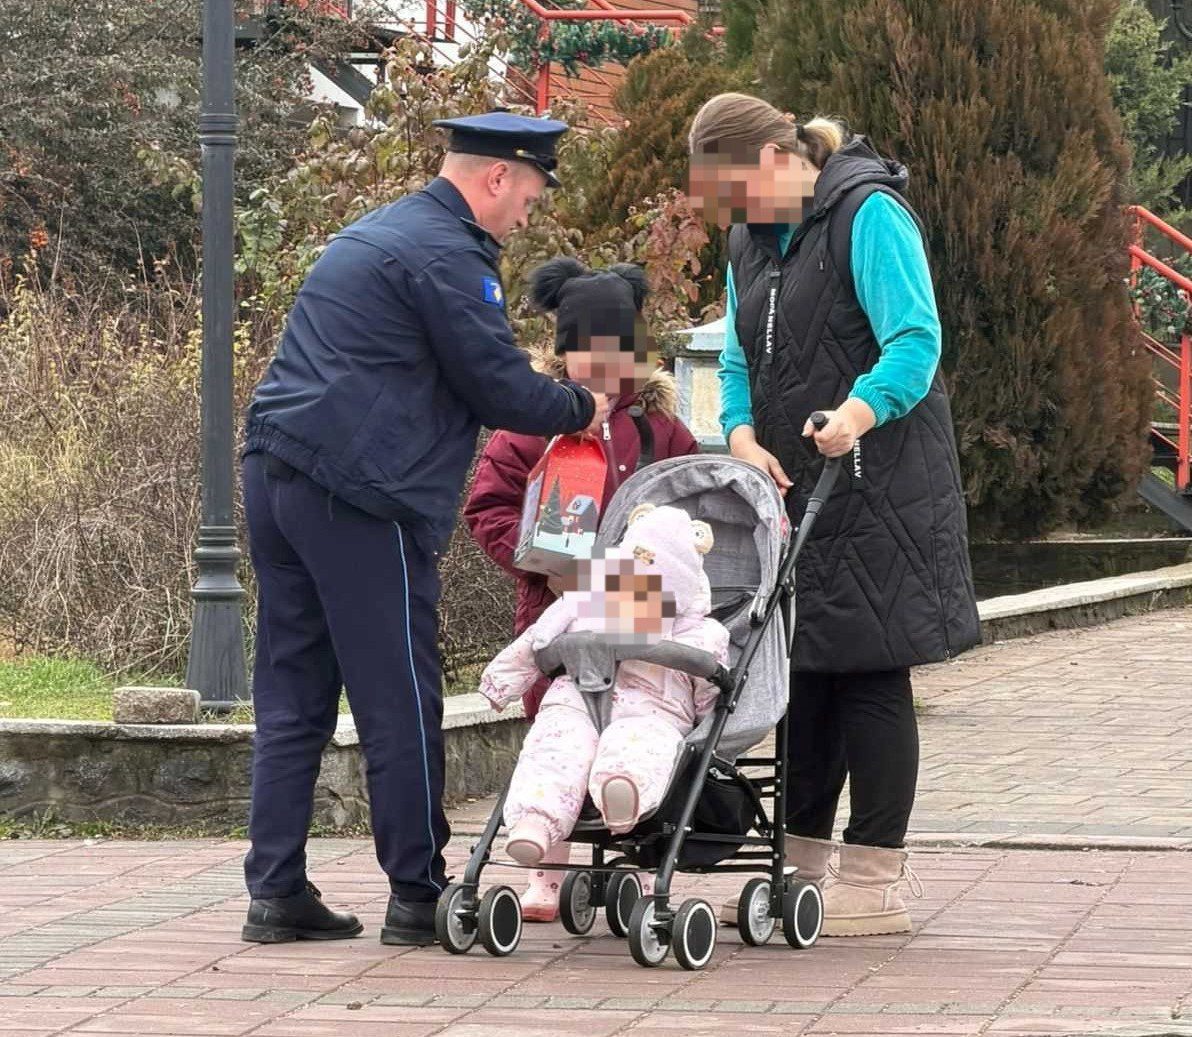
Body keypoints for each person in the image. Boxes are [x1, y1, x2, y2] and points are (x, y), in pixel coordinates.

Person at [238, 112, 611, 948]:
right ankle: (419, 893)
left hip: (276, 472)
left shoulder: (377, 232)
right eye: (530, 193)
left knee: (294, 688)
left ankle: (276, 890)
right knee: (398, 692)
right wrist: (583, 407)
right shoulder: (448, 255)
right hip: (361, 496)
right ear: (495, 178)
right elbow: (500, 388)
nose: (529, 214)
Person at [686, 93, 980, 936]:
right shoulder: (751, 238)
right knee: (804, 670)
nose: (736, 218)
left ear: (782, 158)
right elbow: (737, 354)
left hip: (881, 480)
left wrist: (860, 410)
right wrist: (739, 433)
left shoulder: (870, 213)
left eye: (741, 195)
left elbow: (916, 339)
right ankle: (801, 862)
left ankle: (875, 878)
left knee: (872, 669)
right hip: (793, 490)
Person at [464, 257, 699, 919]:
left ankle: (639, 845)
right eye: (587, 355)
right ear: (563, 354)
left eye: (618, 354)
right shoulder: (531, 427)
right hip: (559, 609)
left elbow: (693, 502)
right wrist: (537, 562)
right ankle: (549, 858)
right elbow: (488, 507)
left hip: (645, 619)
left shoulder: (659, 432)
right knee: (560, 729)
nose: (604, 369)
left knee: (639, 724)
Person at [478, 505, 729, 861]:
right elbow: (538, 640)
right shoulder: (584, 602)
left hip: (649, 712)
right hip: (579, 703)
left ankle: (622, 790)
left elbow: (707, 677)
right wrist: (501, 682)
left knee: (636, 745)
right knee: (554, 749)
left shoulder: (697, 630)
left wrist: (710, 721)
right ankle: (534, 821)